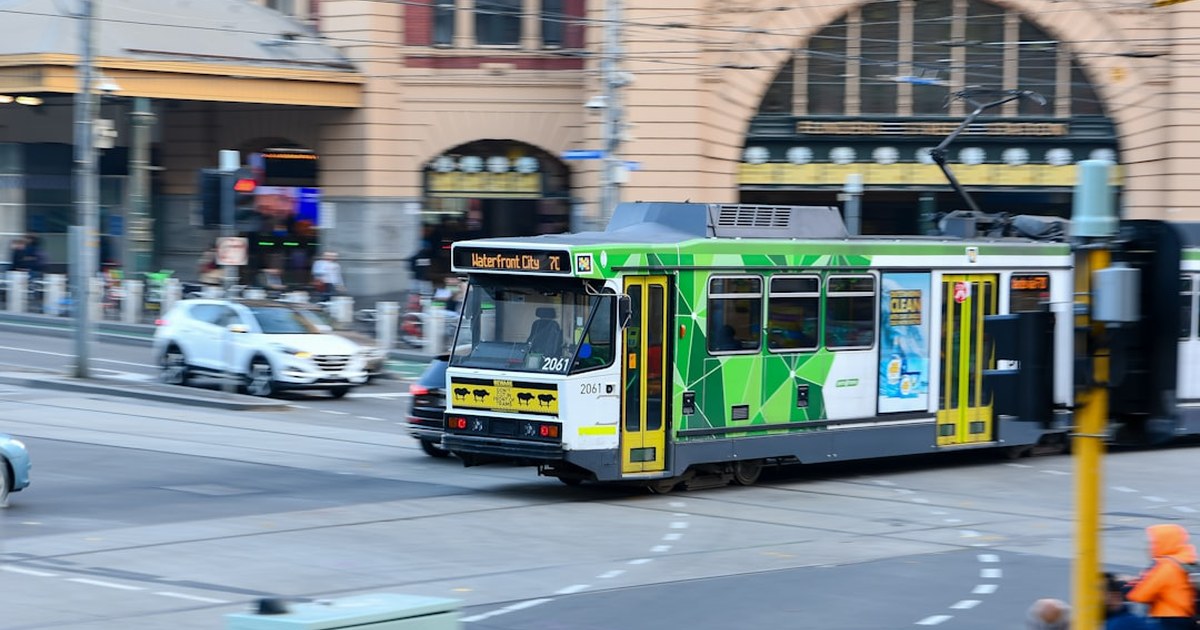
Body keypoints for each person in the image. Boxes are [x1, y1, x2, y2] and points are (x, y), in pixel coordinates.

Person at [1126, 523, 1197, 629]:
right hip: (1185, 618)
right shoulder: (1182, 561)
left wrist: (1130, 588)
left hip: (1168, 620)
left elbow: (1140, 595)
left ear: (1165, 542)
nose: (1150, 547)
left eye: (1154, 543)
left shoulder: (1167, 566)